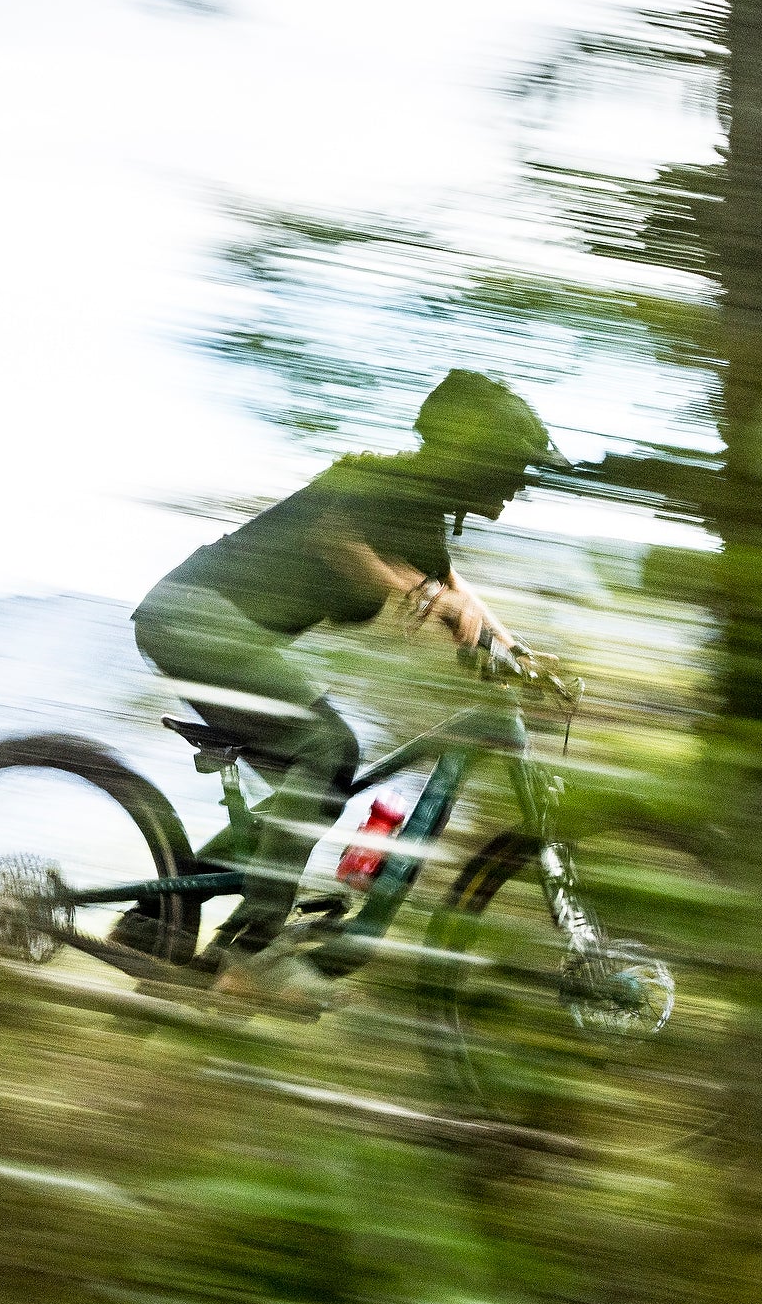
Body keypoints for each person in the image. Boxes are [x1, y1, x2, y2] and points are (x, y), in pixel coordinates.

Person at [112, 369, 567, 1009]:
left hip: (208, 623)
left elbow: (453, 586)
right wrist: (421, 592)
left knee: (316, 791)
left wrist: (517, 651)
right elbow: (337, 539)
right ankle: (254, 952)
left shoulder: (416, 509)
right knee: (328, 748)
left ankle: (155, 922)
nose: (517, 485)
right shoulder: (379, 481)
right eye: (511, 468)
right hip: (193, 618)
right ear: (476, 458)